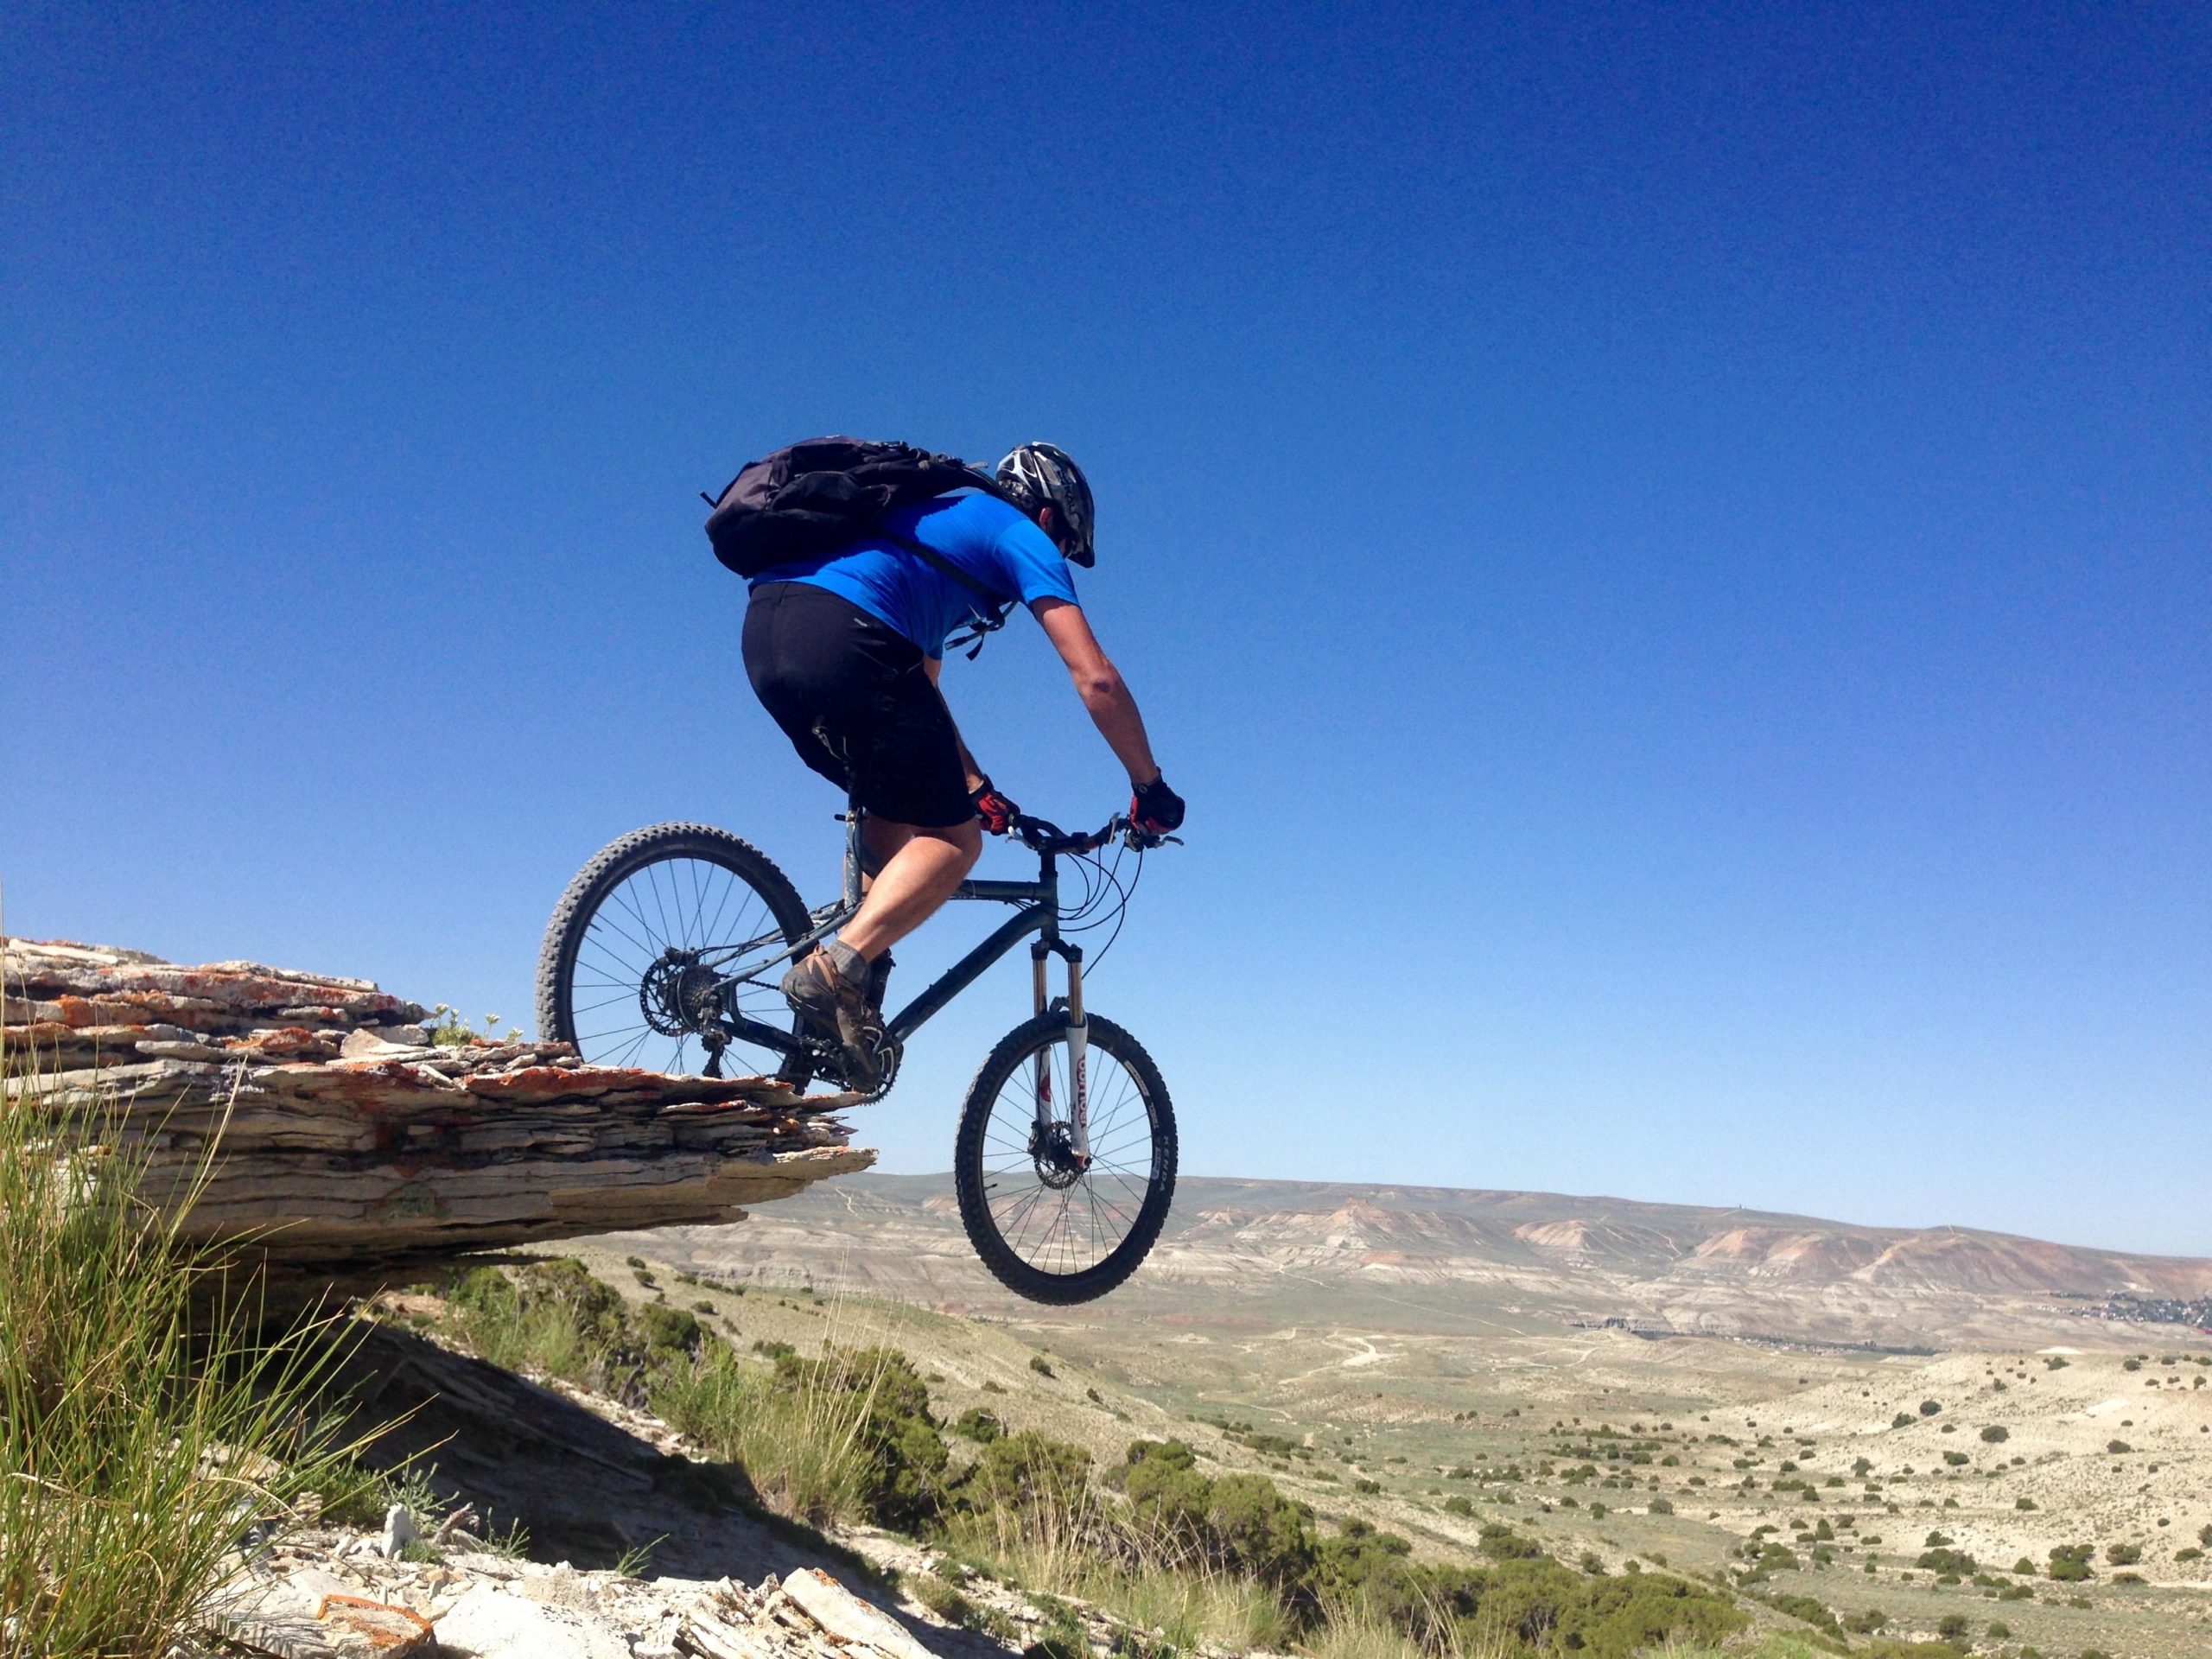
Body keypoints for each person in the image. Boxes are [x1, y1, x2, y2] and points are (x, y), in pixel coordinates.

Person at [740, 442, 1184, 1084]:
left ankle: (837, 1019)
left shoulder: (922, 525)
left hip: (770, 633)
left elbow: (923, 692)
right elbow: (1097, 680)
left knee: (898, 823)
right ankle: (834, 971)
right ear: (1051, 516)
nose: (1054, 557)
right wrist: (1152, 788)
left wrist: (975, 784)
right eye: (1061, 544)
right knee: (953, 844)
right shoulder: (1012, 527)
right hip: (847, 640)